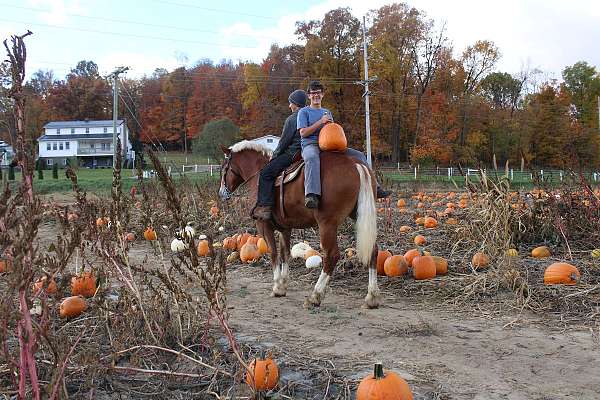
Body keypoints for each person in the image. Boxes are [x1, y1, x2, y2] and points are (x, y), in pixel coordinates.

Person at [297, 80, 389, 209]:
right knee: (311, 158)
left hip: (329, 145)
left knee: (359, 155)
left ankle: (375, 187)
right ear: (309, 96)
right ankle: (312, 194)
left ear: (323, 94)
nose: (315, 95)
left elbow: (331, 130)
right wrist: (320, 122)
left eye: (318, 93)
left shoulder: (327, 112)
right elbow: (303, 133)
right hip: (310, 144)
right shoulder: (304, 112)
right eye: (313, 93)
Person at [251, 89, 307, 221]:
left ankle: (265, 207)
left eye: (290, 103)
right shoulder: (309, 114)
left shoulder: (292, 119)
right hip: (307, 151)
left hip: (293, 153)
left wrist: (274, 155)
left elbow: (284, 142)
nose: (289, 106)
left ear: (295, 103)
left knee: (266, 173)